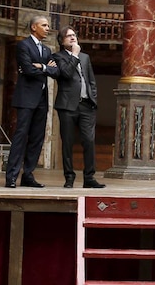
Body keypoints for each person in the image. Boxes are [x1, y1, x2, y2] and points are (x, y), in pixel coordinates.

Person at [5, 15, 58, 188]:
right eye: (44, 25)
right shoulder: (23, 45)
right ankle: (11, 176)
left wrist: (41, 67)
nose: (48, 28)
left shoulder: (47, 50)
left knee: (37, 138)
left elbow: (55, 72)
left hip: (42, 100)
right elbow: (27, 70)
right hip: (26, 98)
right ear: (34, 27)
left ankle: (28, 174)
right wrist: (46, 68)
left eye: (48, 25)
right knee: (20, 136)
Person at [51, 26, 105, 189]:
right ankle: (69, 177)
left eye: (74, 35)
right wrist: (74, 54)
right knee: (67, 142)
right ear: (61, 41)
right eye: (68, 36)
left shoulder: (85, 57)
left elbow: (91, 80)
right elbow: (66, 74)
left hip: (86, 105)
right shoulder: (57, 57)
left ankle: (89, 177)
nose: (73, 38)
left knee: (89, 140)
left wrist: (93, 98)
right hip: (67, 105)